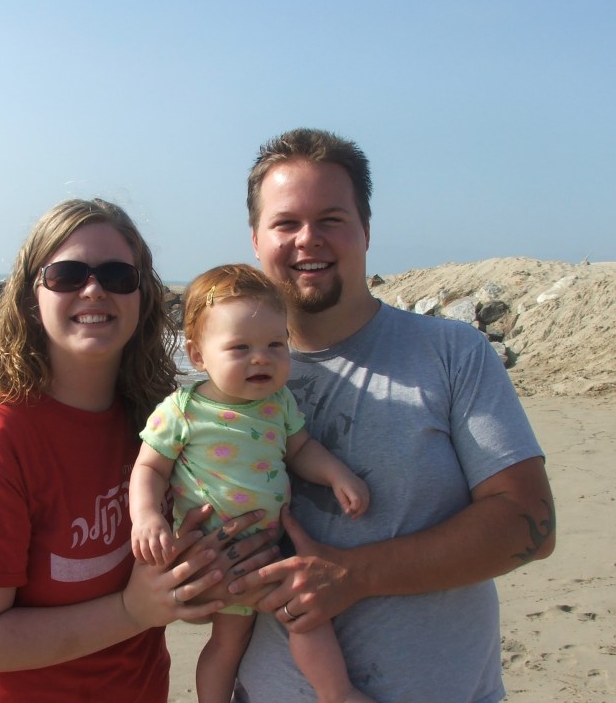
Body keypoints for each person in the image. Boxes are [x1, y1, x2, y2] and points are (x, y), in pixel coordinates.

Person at [228, 128, 556, 702]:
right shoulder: (223, 388)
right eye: (286, 223)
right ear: (256, 239)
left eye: (331, 219)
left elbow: (530, 521)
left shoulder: (451, 354)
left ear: (366, 230)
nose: (308, 239)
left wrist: (353, 575)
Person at [0, 199, 278, 702]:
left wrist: (213, 575)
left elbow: (172, 579)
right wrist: (132, 611)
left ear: (143, 298)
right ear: (30, 298)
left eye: (117, 275)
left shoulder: (161, 421)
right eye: (66, 275)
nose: (93, 289)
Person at [130, 264, 372, 703]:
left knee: (299, 617)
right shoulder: (182, 410)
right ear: (198, 355)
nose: (261, 358)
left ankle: (336, 692)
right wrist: (146, 517)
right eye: (240, 347)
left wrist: (337, 473)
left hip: (271, 550)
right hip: (212, 553)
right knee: (231, 643)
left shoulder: (279, 403)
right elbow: (149, 467)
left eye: (275, 344)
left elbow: (301, 449)